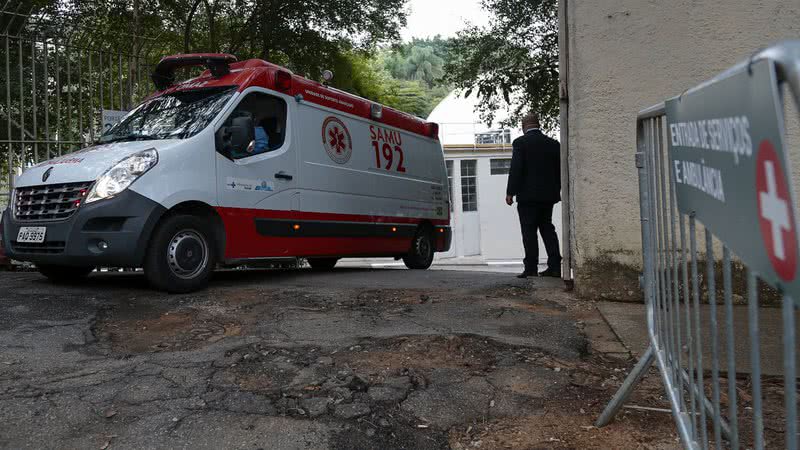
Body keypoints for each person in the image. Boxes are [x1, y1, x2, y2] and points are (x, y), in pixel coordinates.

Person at [505, 113, 562, 279]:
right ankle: (555, 267)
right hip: (547, 197)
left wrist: (510, 192)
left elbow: (516, 168)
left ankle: (531, 267)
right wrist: (556, 190)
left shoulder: (520, 143)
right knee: (547, 229)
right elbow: (559, 169)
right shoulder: (553, 144)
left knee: (529, 231)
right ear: (539, 124)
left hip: (527, 198)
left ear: (524, 126)